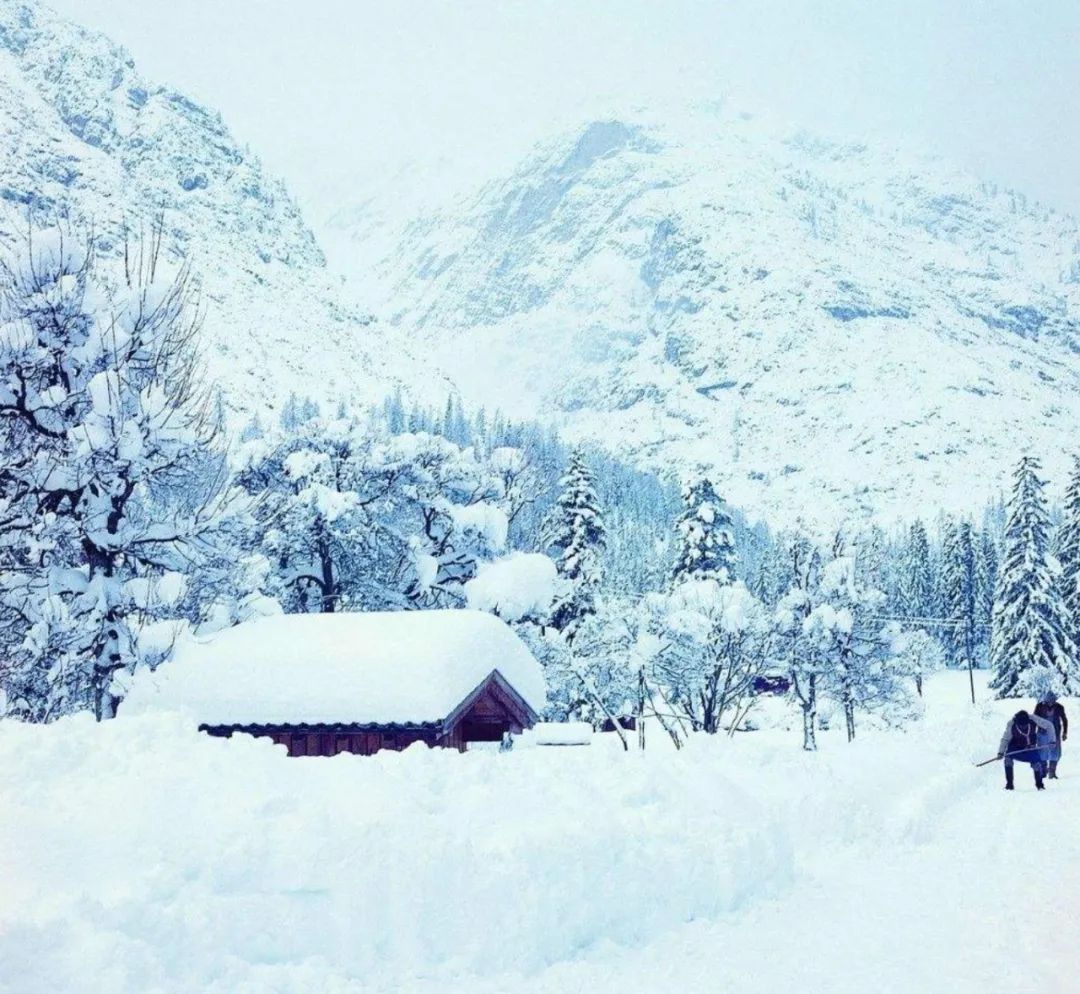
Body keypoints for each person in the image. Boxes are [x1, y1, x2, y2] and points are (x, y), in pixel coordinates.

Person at [997, 709, 1056, 790]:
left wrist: (1052, 740)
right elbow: (1005, 739)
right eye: (1021, 725)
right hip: (1015, 747)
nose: (1023, 727)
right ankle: (1009, 785)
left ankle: (1040, 785)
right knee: (1008, 759)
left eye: (1025, 725)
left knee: (1036, 764)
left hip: (1030, 747)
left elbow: (1049, 725)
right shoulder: (1011, 724)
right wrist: (1000, 752)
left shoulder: (1033, 719)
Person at [1034, 692, 1069, 779]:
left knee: (1056, 753)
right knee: (1042, 753)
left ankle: (1052, 772)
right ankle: (1043, 771)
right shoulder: (1039, 706)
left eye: (1052, 701)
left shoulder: (1059, 707)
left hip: (1055, 733)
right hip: (1042, 733)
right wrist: (1032, 734)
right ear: (1045, 700)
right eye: (1049, 701)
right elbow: (1034, 719)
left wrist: (1065, 733)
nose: (1051, 702)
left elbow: (1064, 720)